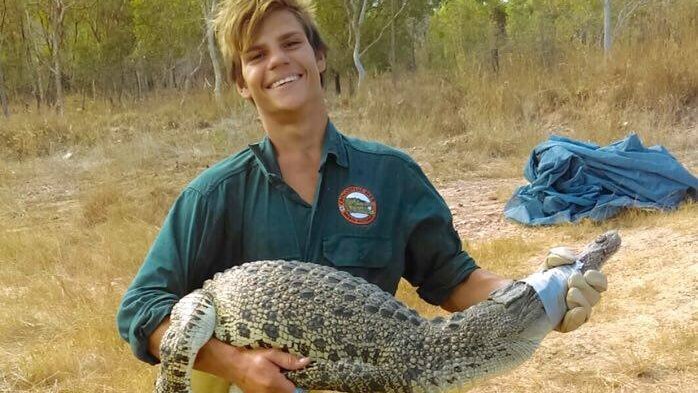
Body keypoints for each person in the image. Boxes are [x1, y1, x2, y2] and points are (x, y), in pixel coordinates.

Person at [116, 1, 607, 392]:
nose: (278, 60)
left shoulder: (390, 175)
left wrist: (533, 300)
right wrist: (238, 366)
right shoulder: (214, 195)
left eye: (291, 43)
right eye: (256, 55)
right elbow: (140, 308)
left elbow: (452, 278)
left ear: (319, 56)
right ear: (240, 83)